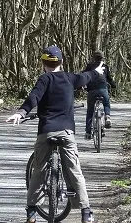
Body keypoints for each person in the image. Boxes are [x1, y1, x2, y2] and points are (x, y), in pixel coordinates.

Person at [6, 45, 102, 223]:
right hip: (66, 133)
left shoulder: (44, 79)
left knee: (39, 170)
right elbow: (87, 77)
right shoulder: (70, 78)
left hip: (46, 132)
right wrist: (97, 71)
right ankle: (86, 212)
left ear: (43, 63)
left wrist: (21, 112)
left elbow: (34, 97)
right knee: (74, 171)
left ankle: (32, 213)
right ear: (62, 62)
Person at [84, 50, 116, 139]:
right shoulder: (105, 67)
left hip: (92, 91)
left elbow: (84, 77)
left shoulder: (89, 67)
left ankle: (88, 133)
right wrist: (114, 85)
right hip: (103, 89)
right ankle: (108, 117)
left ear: (94, 58)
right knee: (106, 103)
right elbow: (109, 78)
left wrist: (81, 86)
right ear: (102, 58)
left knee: (90, 111)